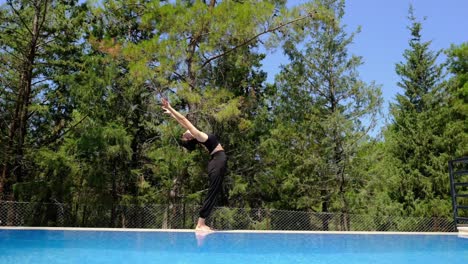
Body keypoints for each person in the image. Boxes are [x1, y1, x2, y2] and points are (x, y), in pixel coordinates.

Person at [161, 98, 227, 232]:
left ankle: (202, 223)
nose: (184, 132)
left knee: (214, 192)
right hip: (217, 161)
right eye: (184, 136)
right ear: (190, 138)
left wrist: (171, 113)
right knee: (212, 192)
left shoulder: (200, 137)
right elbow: (185, 122)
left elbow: (183, 122)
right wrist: (171, 108)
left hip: (217, 161)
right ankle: (200, 223)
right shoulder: (199, 136)